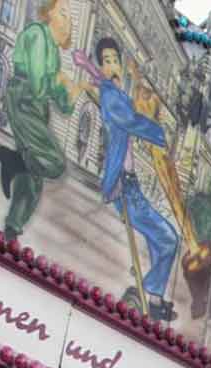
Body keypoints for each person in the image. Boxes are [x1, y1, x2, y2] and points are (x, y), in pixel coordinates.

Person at [88, 37, 181, 322]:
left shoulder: (115, 92)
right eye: (106, 61)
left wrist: (91, 71)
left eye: (115, 60)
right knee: (169, 239)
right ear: (102, 67)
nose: (112, 66)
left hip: (130, 183)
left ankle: (154, 298)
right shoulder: (112, 97)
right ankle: (148, 287)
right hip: (122, 185)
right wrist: (159, 133)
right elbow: (129, 120)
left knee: (159, 238)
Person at [0, 0, 87, 242]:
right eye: (64, 13)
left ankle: (12, 228)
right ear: (49, 13)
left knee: (33, 178)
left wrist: (73, 91)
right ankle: (13, 161)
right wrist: (57, 81)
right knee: (55, 164)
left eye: (70, 17)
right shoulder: (37, 34)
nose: (69, 22)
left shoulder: (55, 55)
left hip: (36, 108)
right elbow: (38, 86)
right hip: (24, 99)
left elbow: (63, 106)